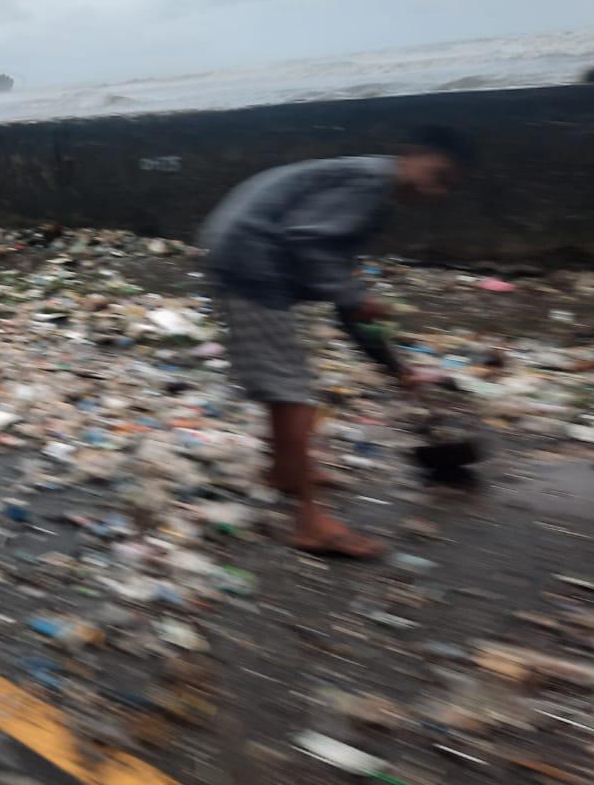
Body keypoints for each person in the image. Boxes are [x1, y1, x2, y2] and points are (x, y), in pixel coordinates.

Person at [199, 126, 473, 559]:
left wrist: (397, 369)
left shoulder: (370, 190)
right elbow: (309, 244)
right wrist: (355, 297)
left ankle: (284, 473)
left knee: (286, 385)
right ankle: (311, 524)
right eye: (437, 176)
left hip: (246, 253)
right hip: (250, 259)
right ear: (413, 154)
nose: (436, 192)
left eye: (448, 187)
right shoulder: (370, 182)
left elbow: (342, 298)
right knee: (294, 392)